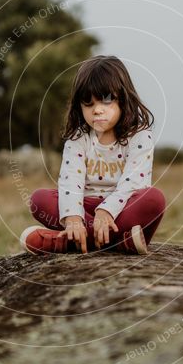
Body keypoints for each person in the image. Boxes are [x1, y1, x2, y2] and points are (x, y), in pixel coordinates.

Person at [21, 55, 166, 255]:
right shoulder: (79, 139)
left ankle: (69, 243)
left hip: (122, 210)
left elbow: (134, 183)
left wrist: (106, 210)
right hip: (85, 209)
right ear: (79, 107)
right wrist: (73, 218)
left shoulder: (140, 136)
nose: (97, 110)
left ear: (123, 99)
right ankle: (119, 243)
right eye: (88, 104)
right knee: (39, 200)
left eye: (106, 101)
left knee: (153, 199)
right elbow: (70, 181)